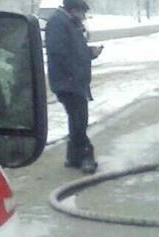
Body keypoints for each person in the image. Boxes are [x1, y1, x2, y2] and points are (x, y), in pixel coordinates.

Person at [45, 0, 103, 174]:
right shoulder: (58, 23)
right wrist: (74, 73)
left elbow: (76, 51)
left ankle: (73, 157)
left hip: (73, 81)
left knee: (76, 119)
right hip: (68, 82)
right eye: (82, 12)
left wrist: (90, 52)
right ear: (74, 9)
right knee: (79, 120)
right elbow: (60, 53)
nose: (84, 16)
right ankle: (85, 156)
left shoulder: (70, 23)